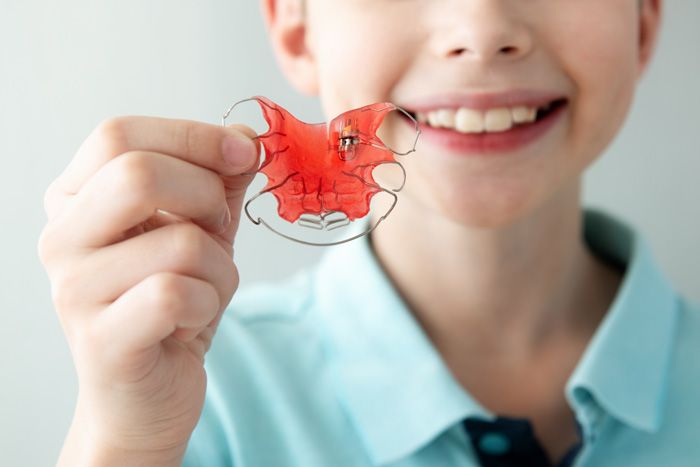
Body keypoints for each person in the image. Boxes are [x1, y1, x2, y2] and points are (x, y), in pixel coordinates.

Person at [37, 0, 700, 465]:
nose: (481, 28)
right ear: (298, 31)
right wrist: (123, 445)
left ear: (643, 19)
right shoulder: (191, 396)